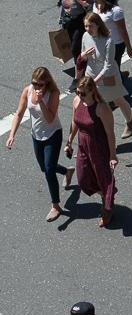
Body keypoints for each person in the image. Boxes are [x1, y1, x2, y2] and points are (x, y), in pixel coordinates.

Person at [6, 66, 73, 222]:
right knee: (44, 167)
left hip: (53, 135)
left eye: (40, 84)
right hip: (36, 135)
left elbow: (50, 118)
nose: (36, 87)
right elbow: (19, 113)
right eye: (34, 83)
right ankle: (67, 171)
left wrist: (42, 100)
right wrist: (12, 135)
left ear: (47, 83)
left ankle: (55, 206)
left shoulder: (53, 94)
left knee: (49, 170)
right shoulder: (27, 91)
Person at [66, 77, 117, 227]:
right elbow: (75, 122)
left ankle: (107, 209)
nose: (79, 96)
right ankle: (105, 193)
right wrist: (69, 141)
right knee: (82, 179)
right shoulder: (76, 101)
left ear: (92, 91)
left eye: (83, 93)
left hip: (99, 147)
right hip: (83, 144)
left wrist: (113, 155)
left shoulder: (102, 108)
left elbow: (110, 134)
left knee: (103, 179)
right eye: (78, 92)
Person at [79, 13, 132, 140]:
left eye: (91, 26)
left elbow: (108, 65)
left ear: (98, 25)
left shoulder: (108, 41)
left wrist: (95, 81)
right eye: (86, 26)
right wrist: (84, 54)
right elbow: (82, 56)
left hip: (108, 77)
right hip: (91, 74)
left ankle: (130, 123)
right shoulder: (85, 36)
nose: (88, 29)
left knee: (118, 100)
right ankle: (96, 132)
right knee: (92, 103)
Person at [58, 0, 92, 90]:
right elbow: (64, 7)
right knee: (74, 49)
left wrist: (85, 5)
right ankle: (82, 67)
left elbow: (92, 7)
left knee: (75, 49)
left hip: (79, 22)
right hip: (68, 23)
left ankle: (78, 77)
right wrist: (61, 21)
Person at [91, 0, 132, 78]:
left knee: (112, 67)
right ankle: (118, 77)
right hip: (101, 41)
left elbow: (123, 30)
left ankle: (119, 86)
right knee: (105, 65)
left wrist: (129, 48)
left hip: (115, 44)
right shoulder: (95, 5)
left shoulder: (115, 11)